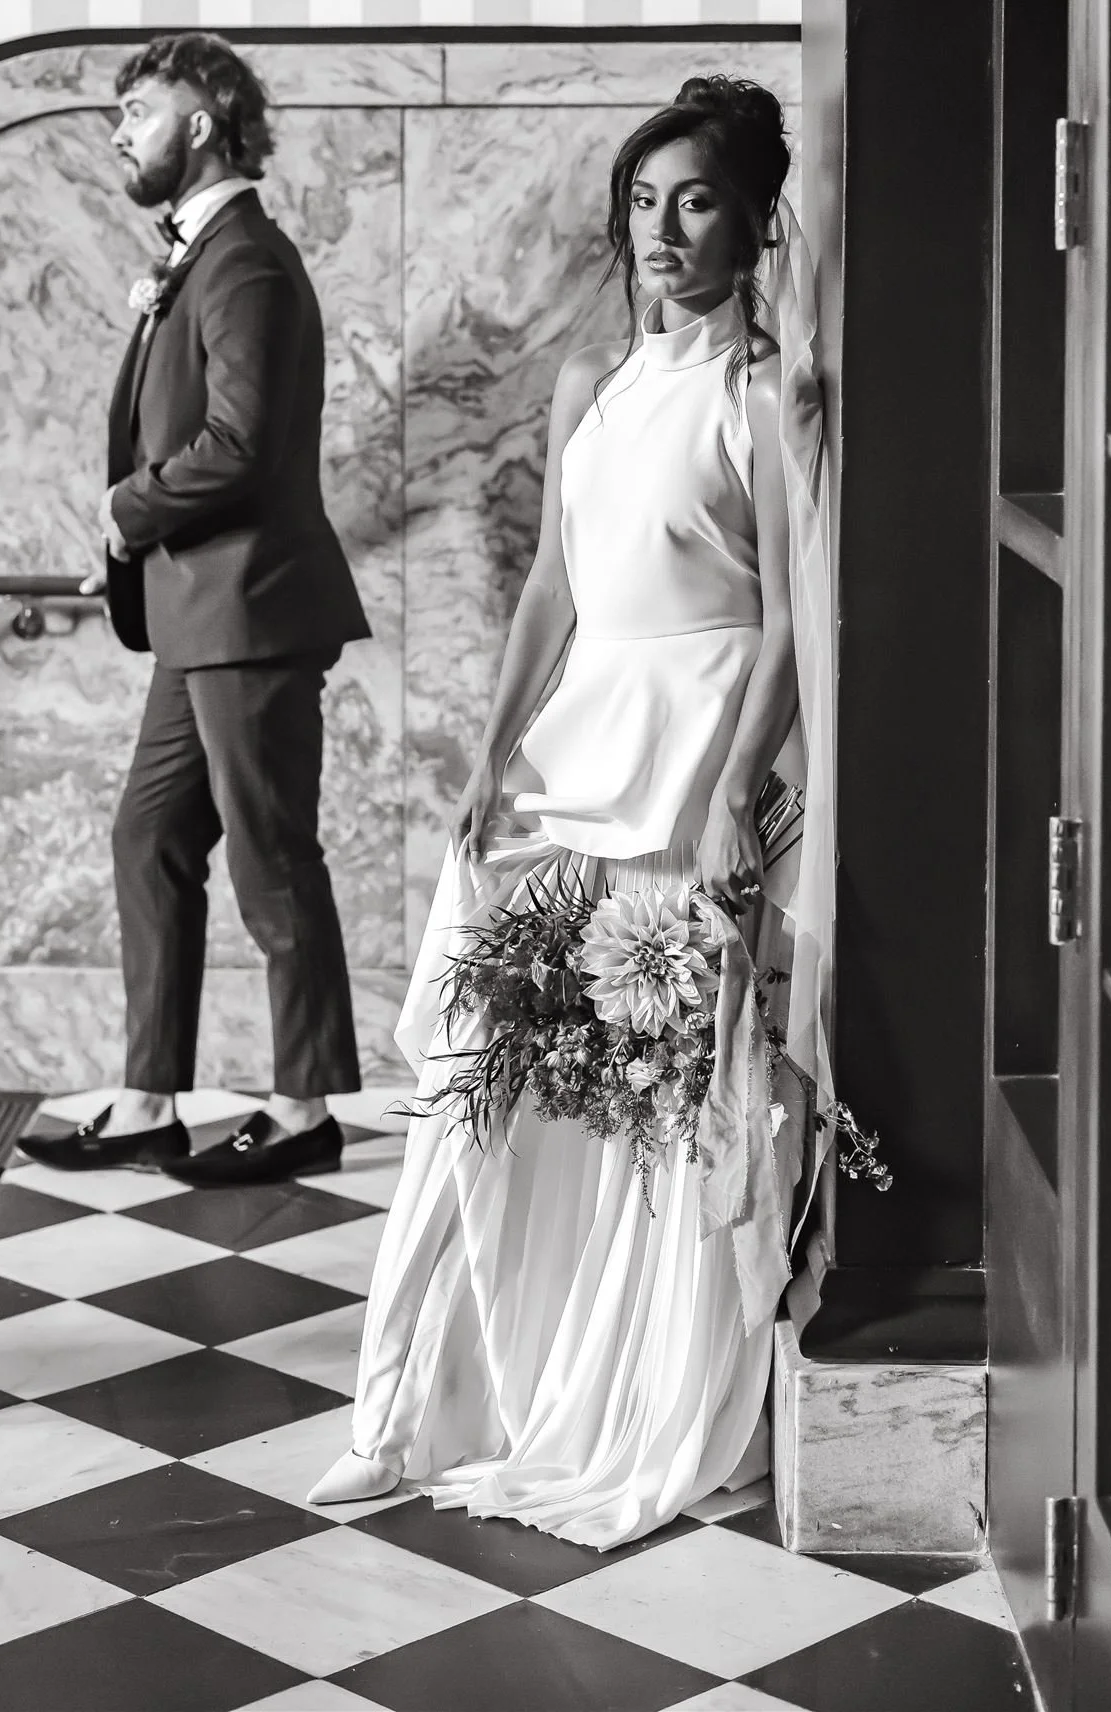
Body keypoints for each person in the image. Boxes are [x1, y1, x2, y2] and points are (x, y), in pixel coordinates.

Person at [309, 77, 837, 1548]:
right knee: (476, 1084)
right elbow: (553, 581)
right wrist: (491, 751)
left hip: (689, 763)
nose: (662, 228)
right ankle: (409, 1413)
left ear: (753, 220)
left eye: (697, 200)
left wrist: (738, 790)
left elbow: (792, 621)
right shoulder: (586, 385)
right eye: (644, 199)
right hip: (567, 753)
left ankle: (618, 1402)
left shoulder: (761, 393)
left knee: (653, 1109)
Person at [19, 33, 370, 1189]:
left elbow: (238, 446)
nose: (119, 130)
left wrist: (123, 512)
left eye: (138, 108)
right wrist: (130, 547)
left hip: (252, 618)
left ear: (205, 121)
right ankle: (145, 1100)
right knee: (150, 836)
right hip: (199, 618)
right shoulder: (203, 257)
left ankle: (305, 1102)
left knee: (272, 858)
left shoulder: (244, 265)